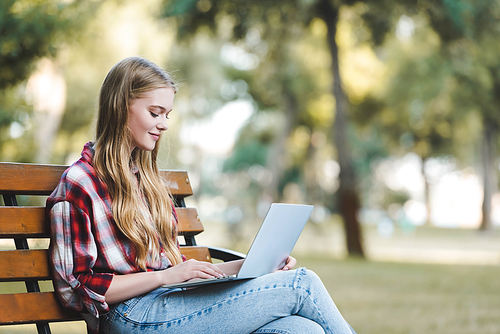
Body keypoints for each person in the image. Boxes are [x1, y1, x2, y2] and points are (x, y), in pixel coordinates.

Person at [46, 56, 356, 334]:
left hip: (170, 303)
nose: (164, 124)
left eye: (167, 114)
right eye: (155, 113)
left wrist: (250, 266)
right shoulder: (80, 184)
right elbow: (76, 288)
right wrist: (164, 278)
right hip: (128, 317)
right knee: (302, 284)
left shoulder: (147, 182)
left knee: (299, 329)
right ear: (120, 106)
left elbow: (180, 271)